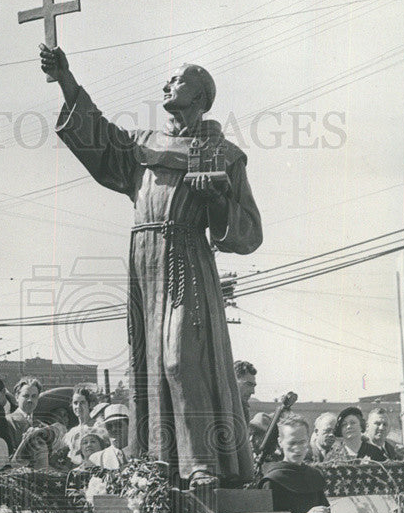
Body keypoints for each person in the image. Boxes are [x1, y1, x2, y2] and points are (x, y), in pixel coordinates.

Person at [42, 45, 261, 487]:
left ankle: (201, 462)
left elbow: (249, 232)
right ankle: (159, 461)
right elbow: (100, 138)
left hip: (185, 257)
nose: (166, 84)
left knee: (183, 360)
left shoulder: (222, 152)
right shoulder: (144, 145)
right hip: (143, 260)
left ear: (200, 94)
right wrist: (66, 80)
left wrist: (216, 199)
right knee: (149, 363)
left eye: (177, 79)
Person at [258, 415, 331, 513]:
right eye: (292, 443)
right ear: (280, 443)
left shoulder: (313, 476)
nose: (298, 449)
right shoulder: (273, 481)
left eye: (302, 442)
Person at [8, 377, 57, 471]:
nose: (30, 400)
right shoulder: (8, 421)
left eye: (34, 396)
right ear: (17, 397)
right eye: (26, 396)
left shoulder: (42, 425)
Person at [61, 386, 106, 464]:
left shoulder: (99, 427)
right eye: (75, 403)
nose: (78, 406)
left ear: (90, 404)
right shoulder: (71, 432)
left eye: (82, 402)